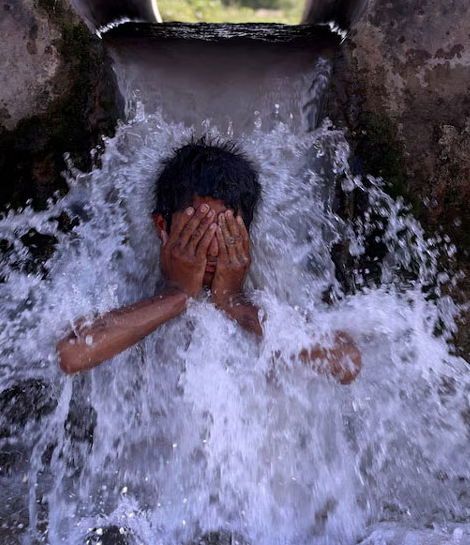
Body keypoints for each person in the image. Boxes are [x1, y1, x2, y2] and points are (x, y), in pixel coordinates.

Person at [56, 138, 362, 384]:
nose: (214, 248)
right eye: (199, 230)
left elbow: (346, 362)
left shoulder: (264, 295)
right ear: (163, 227)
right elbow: (71, 354)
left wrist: (232, 300)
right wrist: (177, 294)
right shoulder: (125, 276)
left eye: (228, 231)